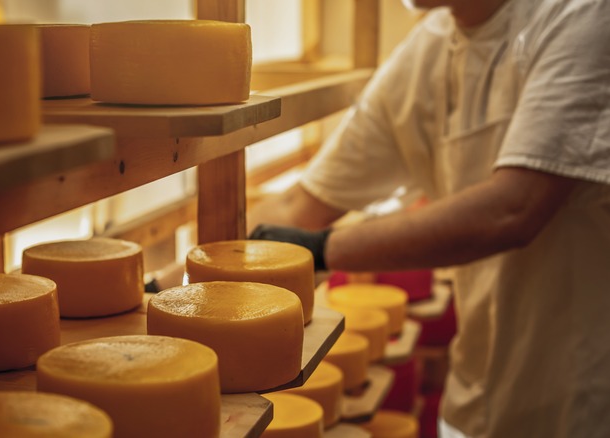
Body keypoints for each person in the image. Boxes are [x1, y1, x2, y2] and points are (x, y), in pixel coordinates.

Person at [248, 0, 610, 437]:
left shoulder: (582, 15)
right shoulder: (429, 45)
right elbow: (300, 206)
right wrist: (182, 281)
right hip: (473, 395)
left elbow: (515, 208)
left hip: (582, 399)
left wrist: (321, 250)